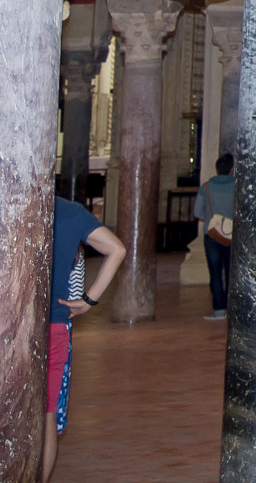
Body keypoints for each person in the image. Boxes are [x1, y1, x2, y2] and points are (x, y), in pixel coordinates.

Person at [45, 193, 127, 482]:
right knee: (47, 416)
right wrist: (88, 300)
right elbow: (116, 249)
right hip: (54, 323)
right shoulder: (69, 211)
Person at [193, 154, 235, 320]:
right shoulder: (237, 186)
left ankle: (219, 310)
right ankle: (233, 308)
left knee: (215, 272)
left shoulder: (206, 187)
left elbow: (197, 212)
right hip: (232, 234)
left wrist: (210, 217)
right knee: (232, 272)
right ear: (232, 169)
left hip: (211, 234)